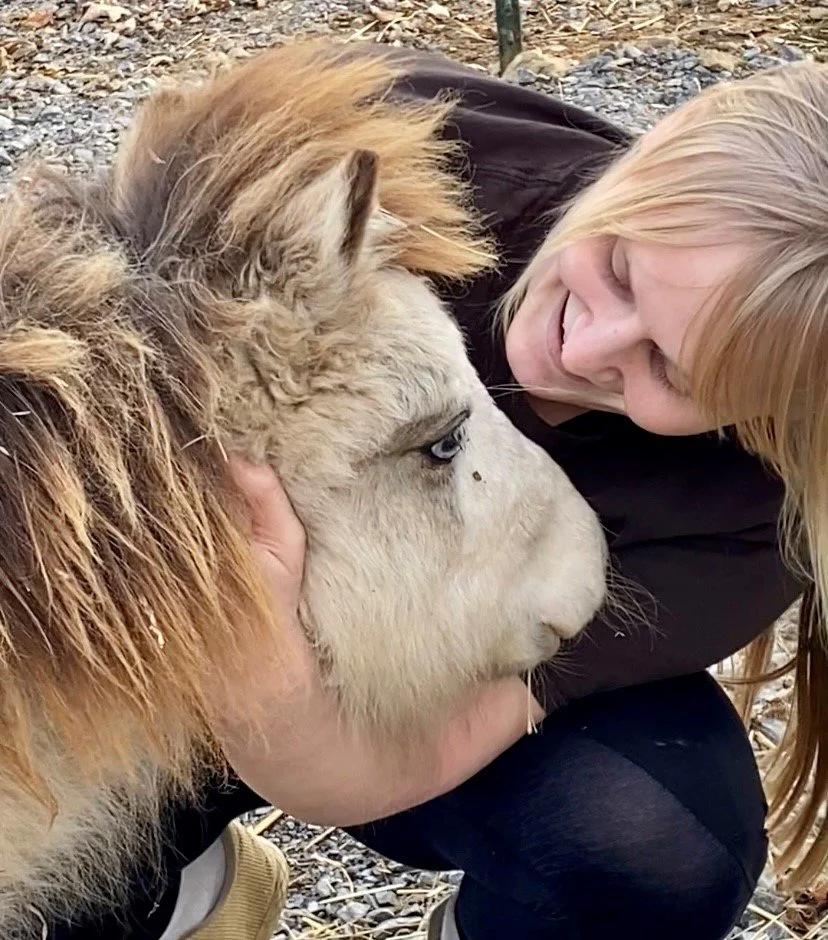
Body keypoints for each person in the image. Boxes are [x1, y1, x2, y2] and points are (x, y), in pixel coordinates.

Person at [48, 46, 828, 940]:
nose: (585, 349)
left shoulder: (747, 520)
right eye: (617, 269)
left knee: (657, 840)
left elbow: (374, 769)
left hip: (383, 702)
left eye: (669, 369)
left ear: (768, 411)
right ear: (667, 137)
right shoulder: (408, 137)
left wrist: (256, 652)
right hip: (159, 638)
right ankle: (183, 895)